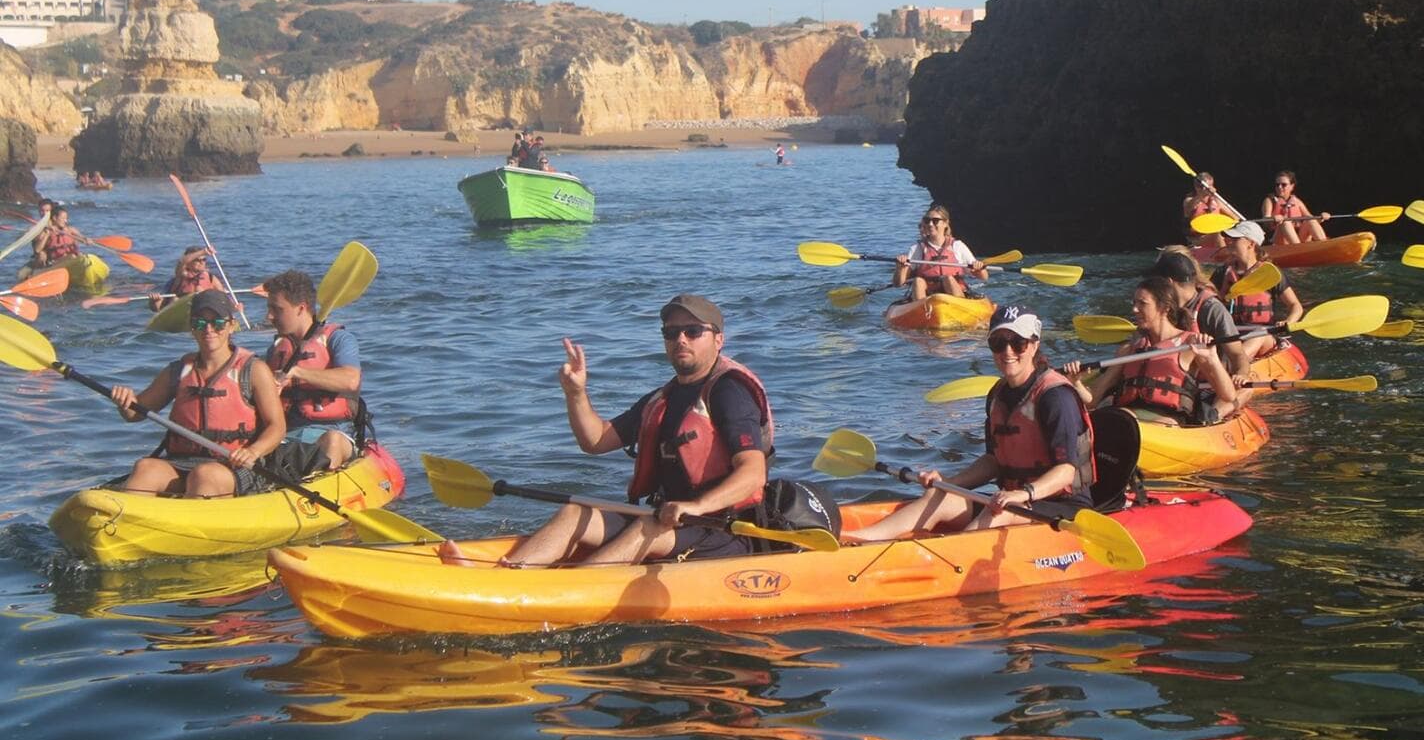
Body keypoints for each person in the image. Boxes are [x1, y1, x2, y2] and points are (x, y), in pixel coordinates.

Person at [439, 294, 772, 568]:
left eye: (692, 331)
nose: (680, 339)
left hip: (723, 529)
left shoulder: (730, 391)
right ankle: (503, 577)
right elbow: (596, 440)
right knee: (576, 512)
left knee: (648, 526)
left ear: (718, 339)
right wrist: (575, 393)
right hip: (666, 518)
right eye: (671, 333)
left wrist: (696, 507)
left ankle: (564, 592)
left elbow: (753, 473)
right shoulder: (664, 397)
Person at [845, 306, 1095, 543]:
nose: (1007, 351)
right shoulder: (997, 394)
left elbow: (1066, 470)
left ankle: (948, 559)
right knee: (939, 497)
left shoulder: (1056, 397)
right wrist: (949, 482)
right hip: (1009, 500)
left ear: (1034, 345)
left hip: (1062, 505)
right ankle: (857, 542)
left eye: (1017, 343)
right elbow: (993, 461)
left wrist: (1023, 493)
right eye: (998, 343)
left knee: (1002, 511)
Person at [108, 290, 286, 498]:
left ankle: (189, 523)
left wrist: (252, 452)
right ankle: (125, 522)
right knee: (145, 468)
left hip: (234, 466)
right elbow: (135, 414)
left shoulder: (254, 370)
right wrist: (125, 403)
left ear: (231, 325)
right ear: (192, 328)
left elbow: (277, 427)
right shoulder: (178, 370)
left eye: (217, 322)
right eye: (200, 323)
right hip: (182, 461)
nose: (209, 330)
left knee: (204, 476)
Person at [1066, 276, 1238, 427]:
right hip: (1128, 420)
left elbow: (1228, 395)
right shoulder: (1129, 350)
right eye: (1134, 303)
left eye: (1142, 303)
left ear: (1164, 308)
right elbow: (1092, 400)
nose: (1134, 309)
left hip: (1167, 424)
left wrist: (1213, 359)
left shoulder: (1190, 345)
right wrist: (1075, 382)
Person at [262, 269, 365, 473]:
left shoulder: (338, 339)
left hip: (332, 432)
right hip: (285, 435)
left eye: (277, 309)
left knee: (332, 442)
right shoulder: (276, 348)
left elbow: (350, 380)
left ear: (301, 308)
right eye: (269, 308)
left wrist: (296, 373)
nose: (269, 316)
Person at [1213, 222, 1305, 371]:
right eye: (1229, 239)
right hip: (1230, 335)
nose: (1229, 242)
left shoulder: (1270, 274)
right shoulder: (1222, 273)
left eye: (1235, 239)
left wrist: (1288, 322)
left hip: (1264, 336)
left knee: (1258, 335)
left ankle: (1231, 369)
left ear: (1251, 243)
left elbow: (1296, 306)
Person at [1150, 249, 1250, 378]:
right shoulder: (1160, 308)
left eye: (1156, 282)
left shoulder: (1212, 309)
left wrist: (1241, 374)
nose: (1153, 288)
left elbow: (1237, 355)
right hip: (1170, 378)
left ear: (1168, 282)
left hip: (1209, 381)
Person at [893, 204, 988, 300]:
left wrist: (979, 268)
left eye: (935, 221)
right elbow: (898, 283)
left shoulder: (957, 246)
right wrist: (900, 268)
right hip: (927, 298)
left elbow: (984, 277)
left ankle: (959, 307)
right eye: (927, 220)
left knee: (948, 279)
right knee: (918, 281)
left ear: (945, 223)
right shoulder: (917, 249)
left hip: (954, 295)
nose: (930, 224)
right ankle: (921, 309)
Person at [1261, 170, 1329, 244]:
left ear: (1292, 186)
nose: (1279, 187)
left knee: (1310, 220)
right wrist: (1273, 219)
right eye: (1277, 185)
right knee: (1285, 222)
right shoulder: (1269, 200)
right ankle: (1298, 249)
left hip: (1298, 237)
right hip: (1278, 240)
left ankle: (1325, 245)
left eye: (1283, 185)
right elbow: (1265, 219)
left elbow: (1310, 217)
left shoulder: (1297, 201)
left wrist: (1321, 218)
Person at [148, 246, 217, 311]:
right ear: (189, 262)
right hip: (182, 311)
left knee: (201, 291)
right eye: (197, 260)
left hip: (204, 311)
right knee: (175, 299)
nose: (201, 262)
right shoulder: (181, 275)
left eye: (204, 259)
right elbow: (182, 261)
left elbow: (224, 297)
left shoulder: (211, 278)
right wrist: (204, 251)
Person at [31, 205, 85, 269]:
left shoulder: (71, 230)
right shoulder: (47, 231)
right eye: (63, 218)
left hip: (72, 259)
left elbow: (82, 238)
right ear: (54, 218)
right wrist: (47, 233)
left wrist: (87, 240)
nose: (66, 221)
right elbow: (37, 250)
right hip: (55, 263)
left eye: (66, 218)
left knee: (80, 256)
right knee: (72, 257)